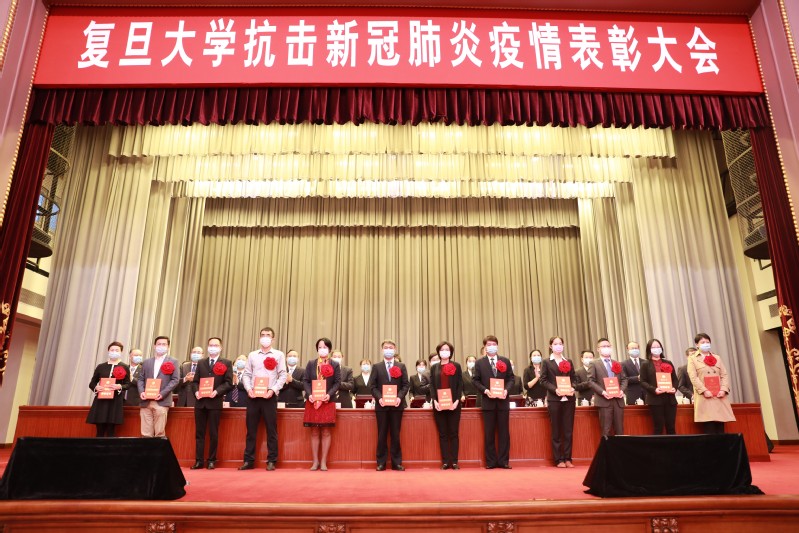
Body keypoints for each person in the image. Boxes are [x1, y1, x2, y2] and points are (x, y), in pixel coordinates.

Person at [240, 326, 286, 471]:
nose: (265, 337)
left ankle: (272, 460)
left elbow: (283, 375)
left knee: (271, 430)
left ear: (273, 339)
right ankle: (248, 460)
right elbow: (247, 374)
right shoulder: (252, 355)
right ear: (259, 337)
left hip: (269, 396)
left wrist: (273, 390)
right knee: (251, 430)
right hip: (253, 396)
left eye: (268, 335)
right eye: (263, 335)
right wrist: (249, 389)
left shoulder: (278, 355)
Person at [191, 337, 233, 470]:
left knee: (213, 433)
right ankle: (199, 461)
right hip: (200, 402)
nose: (212, 347)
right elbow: (195, 381)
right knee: (199, 433)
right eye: (210, 345)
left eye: (215, 345)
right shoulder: (201, 362)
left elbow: (228, 383)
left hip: (215, 402)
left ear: (220, 347)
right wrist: (196, 392)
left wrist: (217, 391)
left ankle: (211, 460)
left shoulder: (226, 362)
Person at [472, 335, 514, 469]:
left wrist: (506, 390)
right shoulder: (479, 363)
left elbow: (511, 379)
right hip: (488, 403)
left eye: (494, 344)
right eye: (489, 344)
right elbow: (475, 380)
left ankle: (503, 461)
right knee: (489, 433)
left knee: (504, 433)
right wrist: (485, 391)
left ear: (497, 346)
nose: (491, 347)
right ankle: (490, 462)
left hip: (503, 402)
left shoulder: (505, 361)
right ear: (485, 347)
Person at [370, 339, 410, 471]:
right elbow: (373, 386)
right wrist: (379, 398)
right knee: (381, 434)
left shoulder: (401, 366)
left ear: (395, 349)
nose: (388, 350)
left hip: (396, 406)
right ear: (382, 350)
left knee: (395, 434)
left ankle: (396, 463)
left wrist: (399, 397)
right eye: (386, 347)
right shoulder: (376, 367)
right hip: (381, 406)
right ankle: (381, 463)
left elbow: (405, 385)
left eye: (391, 347)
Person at [303, 338, 342, 471]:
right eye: (320, 347)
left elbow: (337, 382)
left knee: (326, 431)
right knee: (314, 431)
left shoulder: (334, 364)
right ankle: (315, 461)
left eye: (325, 347)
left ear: (329, 349)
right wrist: (309, 394)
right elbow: (305, 381)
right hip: (312, 401)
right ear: (317, 349)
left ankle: (324, 461)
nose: (322, 349)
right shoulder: (311, 363)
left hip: (327, 401)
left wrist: (329, 394)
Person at [539, 336, 577, 468]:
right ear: (551, 346)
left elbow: (574, 379)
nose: (558, 346)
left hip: (569, 399)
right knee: (556, 430)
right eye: (555, 344)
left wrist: (573, 387)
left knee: (568, 430)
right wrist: (556, 390)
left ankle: (568, 458)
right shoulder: (546, 362)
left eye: (560, 343)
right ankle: (559, 459)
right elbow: (543, 380)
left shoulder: (569, 361)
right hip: (554, 399)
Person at [687, 333, 736, 434]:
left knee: (720, 427)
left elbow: (724, 375)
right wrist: (704, 390)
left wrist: (723, 389)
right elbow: (693, 377)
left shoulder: (717, 357)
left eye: (707, 342)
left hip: (719, 396)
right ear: (697, 345)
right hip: (705, 396)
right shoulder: (692, 359)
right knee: (709, 427)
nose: (706, 344)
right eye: (702, 342)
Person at [428, 341, 463, 470]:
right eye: (442, 349)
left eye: (447, 349)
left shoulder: (456, 366)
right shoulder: (434, 368)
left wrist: (457, 401)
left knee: (453, 433)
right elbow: (432, 385)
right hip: (439, 405)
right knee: (442, 434)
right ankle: (445, 462)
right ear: (438, 352)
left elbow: (460, 384)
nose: (444, 351)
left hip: (454, 405)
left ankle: (454, 462)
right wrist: (434, 400)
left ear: (451, 352)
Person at [137, 336, 180, 437]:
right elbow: (140, 379)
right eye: (159, 344)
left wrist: (162, 394)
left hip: (161, 401)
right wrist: (141, 392)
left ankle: (158, 448)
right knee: (145, 433)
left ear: (168, 347)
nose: (161, 346)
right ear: (154, 346)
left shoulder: (173, 361)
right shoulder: (147, 362)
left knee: (159, 433)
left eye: (164, 344)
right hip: (146, 401)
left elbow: (175, 380)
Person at [86, 341, 131, 437]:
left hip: (115, 400)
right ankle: (98, 446)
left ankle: (110, 446)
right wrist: (96, 387)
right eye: (112, 350)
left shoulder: (125, 367)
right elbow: (92, 383)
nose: (114, 352)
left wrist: (120, 386)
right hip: (101, 400)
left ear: (121, 352)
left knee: (111, 430)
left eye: (117, 350)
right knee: (100, 430)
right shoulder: (101, 366)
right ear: (108, 351)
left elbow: (128, 384)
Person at [588, 338, 628, 437]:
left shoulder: (617, 363)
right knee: (606, 430)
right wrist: (602, 392)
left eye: (608, 346)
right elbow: (590, 381)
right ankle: (606, 447)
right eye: (603, 346)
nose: (606, 348)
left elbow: (624, 379)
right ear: (598, 349)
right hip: (604, 401)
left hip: (618, 400)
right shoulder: (594, 363)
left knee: (620, 430)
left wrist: (621, 390)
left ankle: (620, 448)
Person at [639, 338, 679, 435]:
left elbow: (675, 379)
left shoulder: (668, 362)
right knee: (658, 427)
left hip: (670, 398)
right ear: (649, 349)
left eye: (658, 346)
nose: (656, 349)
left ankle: (673, 445)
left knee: (671, 427)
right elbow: (643, 381)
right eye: (653, 347)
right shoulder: (645, 364)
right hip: (655, 399)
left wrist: (674, 388)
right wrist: (654, 389)